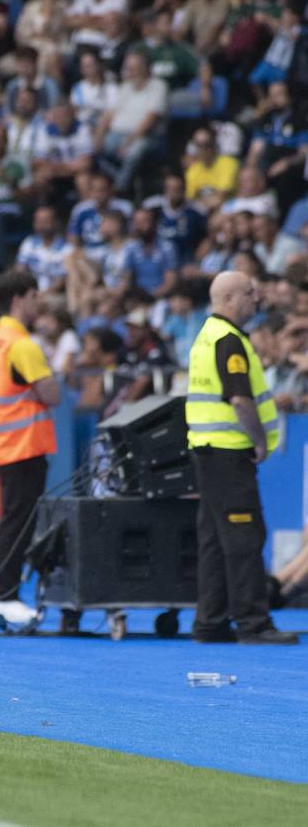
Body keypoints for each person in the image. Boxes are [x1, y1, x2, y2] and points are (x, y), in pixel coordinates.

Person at [185, 270, 297, 645]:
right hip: (229, 453)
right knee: (244, 537)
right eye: (250, 293)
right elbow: (239, 400)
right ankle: (253, 622)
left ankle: (211, 621)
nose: (256, 300)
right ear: (231, 298)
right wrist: (260, 441)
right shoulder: (229, 341)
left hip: (207, 451)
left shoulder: (206, 335)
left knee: (215, 540)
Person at [0, 270, 60, 630]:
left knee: (13, 521)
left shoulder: (1, 337)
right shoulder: (23, 345)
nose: (39, 301)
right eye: (34, 294)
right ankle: (3, 593)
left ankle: (1, 588)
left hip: (9, 446)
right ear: (19, 299)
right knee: (18, 523)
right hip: (23, 446)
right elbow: (52, 395)